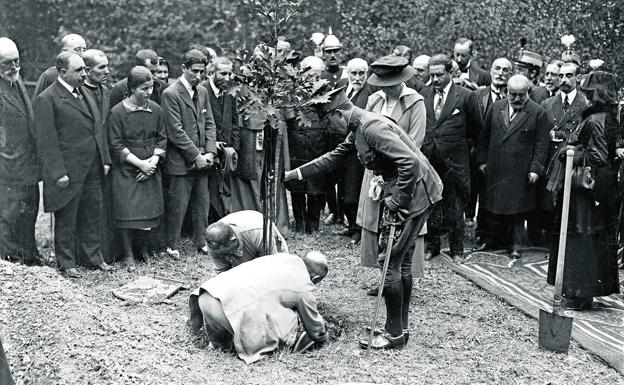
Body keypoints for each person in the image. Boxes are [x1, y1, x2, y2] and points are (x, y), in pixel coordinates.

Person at [285, 88, 443, 349]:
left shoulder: (370, 127)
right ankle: (399, 330)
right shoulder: (359, 126)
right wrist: (294, 175)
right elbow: (334, 156)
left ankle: (393, 336)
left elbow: (410, 163)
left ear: (338, 113)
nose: (330, 128)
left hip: (413, 195)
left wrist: (397, 200)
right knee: (400, 264)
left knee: (391, 263)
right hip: (415, 191)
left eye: (329, 121)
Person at [547, 71, 621, 309]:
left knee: (582, 238)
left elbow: (597, 156)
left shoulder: (596, 119)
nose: (586, 97)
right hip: (598, 186)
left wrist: (570, 151)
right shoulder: (608, 117)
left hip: (588, 188)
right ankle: (582, 290)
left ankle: (580, 292)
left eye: (589, 93)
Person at [34, 52, 112, 277]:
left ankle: (93, 257)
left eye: (85, 70)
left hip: (92, 168)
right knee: (66, 218)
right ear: (62, 73)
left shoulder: (84, 93)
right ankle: (67, 263)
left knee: (92, 215)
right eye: (79, 70)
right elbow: (46, 141)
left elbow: (98, 128)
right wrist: (58, 173)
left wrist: (104, 159)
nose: (84, 74)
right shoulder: (47, 98)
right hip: (68, 172)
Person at [188, 251, 329, 363]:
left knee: (266, 300)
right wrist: (324, 335)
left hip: (207, 296)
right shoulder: (303, 285)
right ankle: (242, 342)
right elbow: (316, 330)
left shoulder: (283, 257)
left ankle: (220, 343)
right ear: (316, 279)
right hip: (226, 313)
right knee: (290, 319)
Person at [357, 55, 426, 271]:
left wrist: (390, 169)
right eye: (382, 85)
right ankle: (383, 275)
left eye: (390, 85)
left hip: (401, 172)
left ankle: (398, 275)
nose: (386, 89)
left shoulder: (415, 102)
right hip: (375, 172)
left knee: (399, 223)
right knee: (378, 222)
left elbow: (415, 141)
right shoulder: (375, 100)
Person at [475, 75, 549, 258]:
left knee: (518, 210)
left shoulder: (538, 112)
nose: (516, 99)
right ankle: (491, 241)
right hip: (496, 167)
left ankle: (516, 245)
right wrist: (482, 161)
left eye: (521, 95)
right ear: (506, 92)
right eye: (513, 95)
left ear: (528, 93)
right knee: (493, 206)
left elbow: (542, 145)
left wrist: (535, 169)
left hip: (520, 171)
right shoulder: (496, 107)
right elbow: (484, 137)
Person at [421, 54, 483, 263]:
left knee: (455, 205)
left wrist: (460, 148)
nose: (435, 79)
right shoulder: (424, 94)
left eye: (439, 75)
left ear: (450, 72)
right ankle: (432, 246)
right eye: (432, 76)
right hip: (429, 158)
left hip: (455, 161)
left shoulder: (465, 96)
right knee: (432, 204)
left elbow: (476, 129)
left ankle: (457, 249)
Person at [108, 66, 167, 268]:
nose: (148, 92)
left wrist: (152, 163)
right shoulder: (117, 112)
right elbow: (115, 144)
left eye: (150, 87)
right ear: (132, 88)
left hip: (150, 166)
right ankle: (128, 254)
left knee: (148, 210)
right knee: (127, 211)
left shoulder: (156, 110)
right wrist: (139, 164)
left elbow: (162, 138)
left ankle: (144, 249)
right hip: (127, 168)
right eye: (144, 88)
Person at [161, 49, 217, 258]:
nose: (199, 76)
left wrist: (210, 152)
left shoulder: (202, 92)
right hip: (180, 162)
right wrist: (196, 155)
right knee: (178, 204)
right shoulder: (171, 93)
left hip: (203, 160)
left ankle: (201, 241)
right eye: (194, 71)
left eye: (202, 72)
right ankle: (171, 244)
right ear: (183, 68)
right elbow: (175, 131)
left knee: (202, 204)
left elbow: (210, 123)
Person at [529, 62, 587, 248]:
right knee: (548, 202)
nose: (563, 80)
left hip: (572, 161)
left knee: (570, 202)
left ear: (578, 78)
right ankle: (547, 241)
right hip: (551, 160)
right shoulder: (547, 103)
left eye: (569, 75)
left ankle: (566, 241)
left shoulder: (585, 104)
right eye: (561, 76)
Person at [0, 37, 40, 263]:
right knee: (7, 215)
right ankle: (11, 260)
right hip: (7, 166)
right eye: (7, 63)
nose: (14, 67)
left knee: (28, 212)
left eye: (16, 61)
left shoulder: (17, 80)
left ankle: (29, 255)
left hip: (27, 165)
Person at [470, 58, 513, 249]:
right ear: (491, 71)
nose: (501, 73)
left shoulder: (516, 96)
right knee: (483, 195)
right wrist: (479, 157)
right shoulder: (477, 95)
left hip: (506, 158)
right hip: (481, 155)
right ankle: (482, 234)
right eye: (497, 69)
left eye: (505, 70)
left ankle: (502, 237)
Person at [285, 56, 330, 234]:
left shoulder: (326, 92)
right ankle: (300, 222)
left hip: (317, 145)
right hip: (296, 145)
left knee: (315, 187)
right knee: (296, 185)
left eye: (318, 77)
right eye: (311, 77)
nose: (314, 81)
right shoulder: (292, 92)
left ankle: (314, 223)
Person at [200, 56, 239, 221]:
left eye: (230, 74)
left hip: (227, 152)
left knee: (224, 189)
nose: (227, 78)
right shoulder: (202, 91)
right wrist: (210, 145)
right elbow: (197, 124)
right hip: (207, 151)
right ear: (211, 72)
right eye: (223, 74)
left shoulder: (230, 92)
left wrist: (234, 148)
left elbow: (235, 122)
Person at [204, 210, 288, 273]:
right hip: (245, 242)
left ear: (233, 240)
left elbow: (272, 265)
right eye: (221, 254)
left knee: (281, 270)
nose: (224, 256)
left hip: (260, 237)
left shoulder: (259, 233)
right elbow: (222, 273)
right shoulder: (213, 242)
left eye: (226, 253)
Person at [32, 33, 86, 98]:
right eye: (77, 50)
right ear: (64, 51)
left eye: (84, 50)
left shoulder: (87, 73)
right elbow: (38, 101)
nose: (82, 54)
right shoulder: (50, 75)